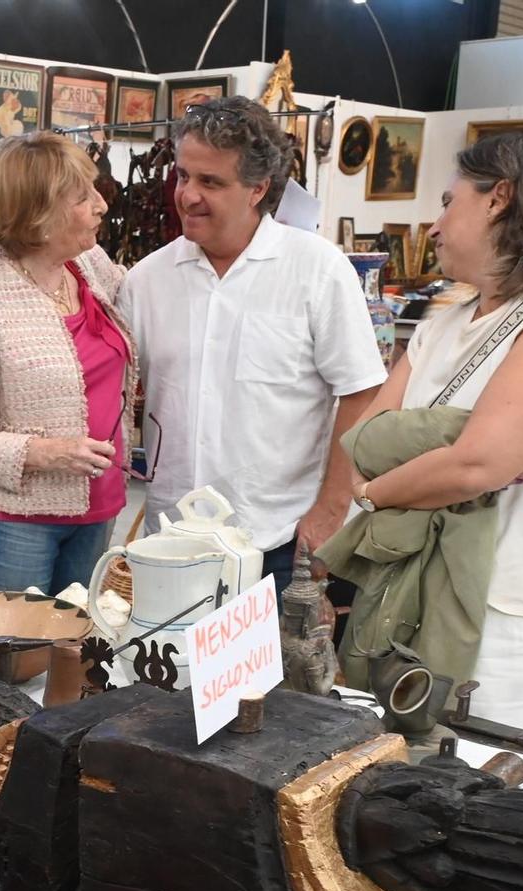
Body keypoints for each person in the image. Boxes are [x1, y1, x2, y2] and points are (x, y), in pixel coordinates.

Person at [339, 132, 523, 736]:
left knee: (497, 777)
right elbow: (362, 440)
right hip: (414, 580)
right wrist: (441, 457)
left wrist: (377, 490)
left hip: (516, 605)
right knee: (401, 757)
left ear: (499, 199)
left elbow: (476, 466)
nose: (435, 225)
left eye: (448, 201)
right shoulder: (443, 325)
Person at [118, 97, 385, 591]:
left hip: (277, 540)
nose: (188, 195)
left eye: (211, 182)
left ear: (258, 189)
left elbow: (361, 392)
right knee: (166, 671)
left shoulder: (317, 270)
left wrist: (330, 510)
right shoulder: (147, 281)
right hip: (170, 539)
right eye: (183, 176)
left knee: (279, 671)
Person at [0, 131, 135, 595]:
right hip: (20, 520)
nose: (101, 205)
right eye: (82, 196)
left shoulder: (90, 267)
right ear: (41, 214)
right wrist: (46, 453)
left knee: (81, 651)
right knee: (21, 661)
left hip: (102, 506)